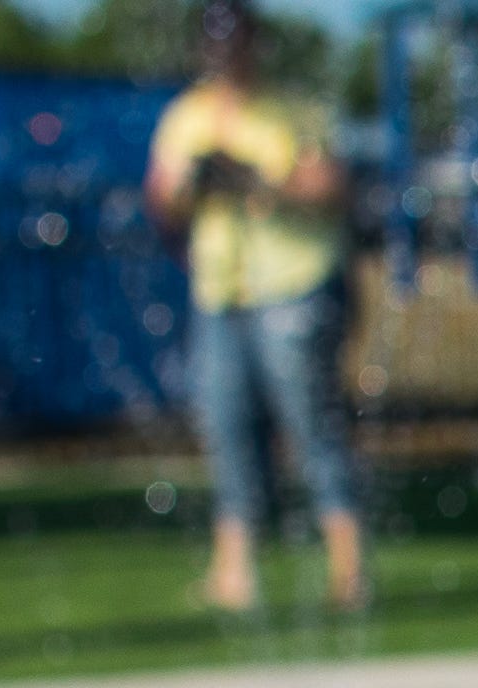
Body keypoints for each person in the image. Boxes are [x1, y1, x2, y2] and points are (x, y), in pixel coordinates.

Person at [144, 0, 366, 617]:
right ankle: (234, 573)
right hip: (222, 292)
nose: (227, 59)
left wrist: (255, 181)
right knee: (226, 424)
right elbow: (162, 201)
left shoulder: (293, 111)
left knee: (311, 424)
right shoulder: (187, 116)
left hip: (292, 284)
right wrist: (194, 185)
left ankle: (349, 567)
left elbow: (333, 187)